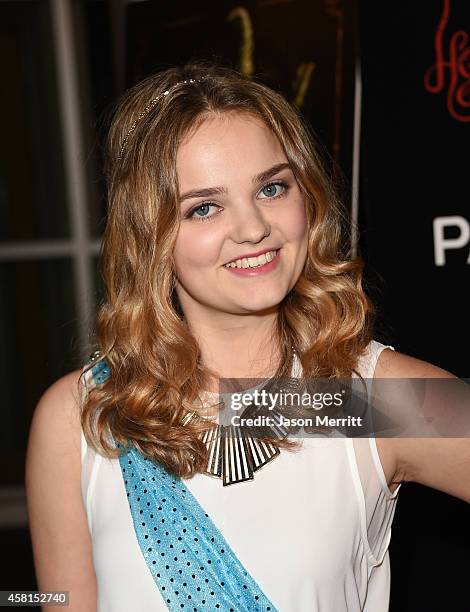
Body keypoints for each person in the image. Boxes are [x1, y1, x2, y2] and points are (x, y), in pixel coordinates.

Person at [25, 61, 470, 612]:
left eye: (272, 187)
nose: (253, 227)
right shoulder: (81, 415)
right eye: (204, 207)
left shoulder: (364, 400)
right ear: (150, 237)